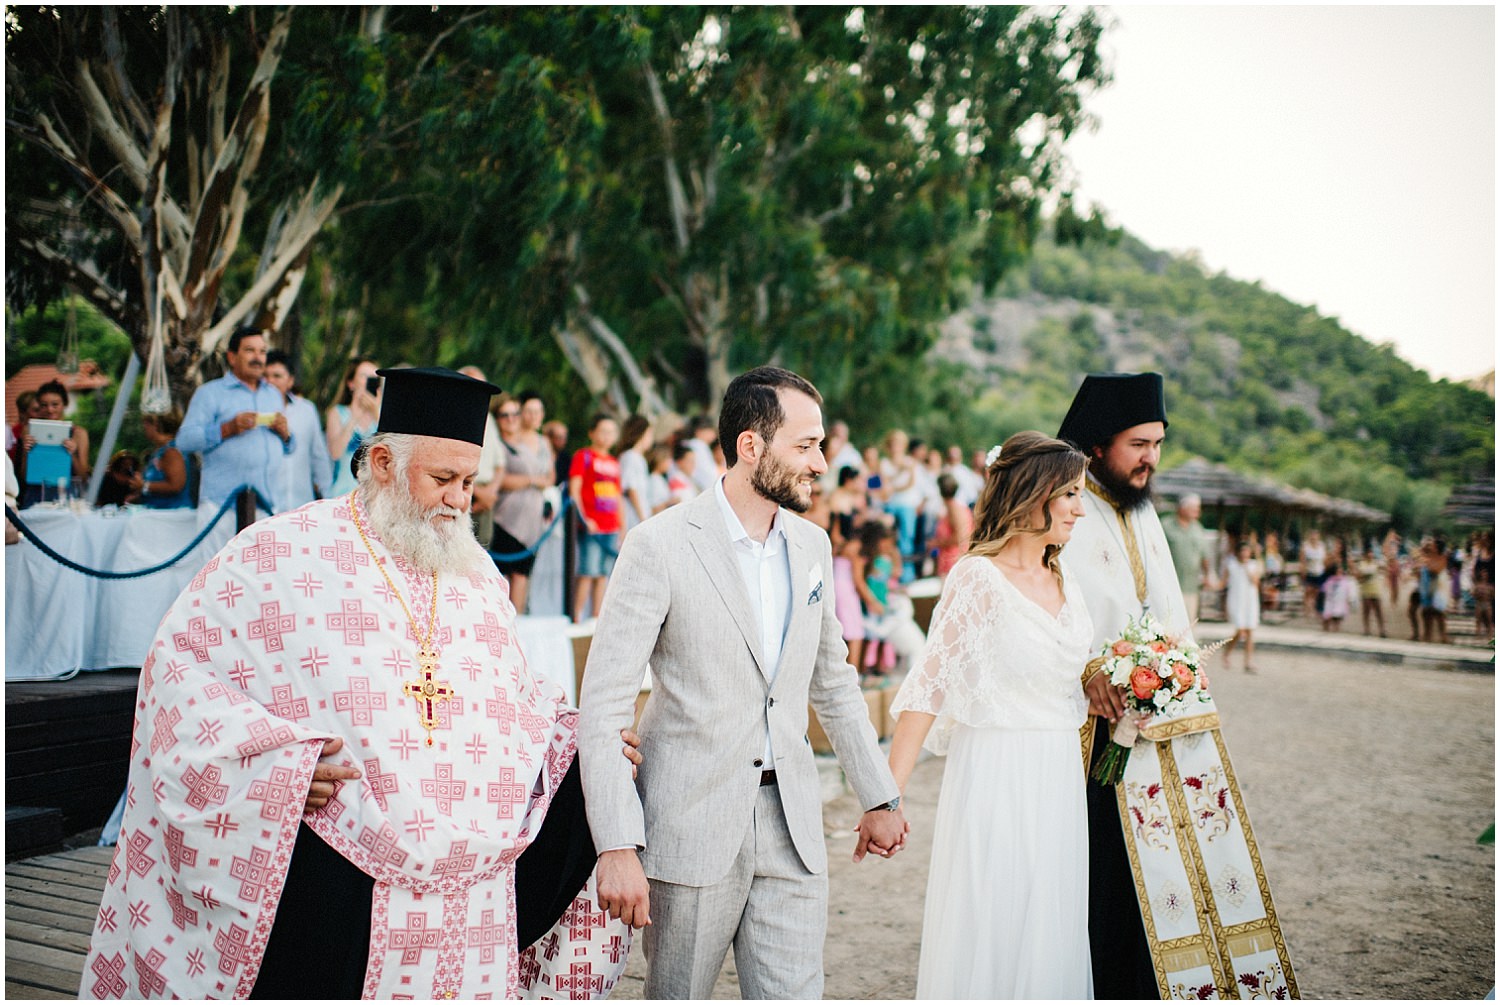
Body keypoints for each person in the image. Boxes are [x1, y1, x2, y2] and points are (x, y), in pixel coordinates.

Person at [79, 366, 638, 1000]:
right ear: (380, 462)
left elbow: (519, 703)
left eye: (470, 482)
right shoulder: (279, 554)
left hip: (472, 890)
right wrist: (278, 763)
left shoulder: (477, 575)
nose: (461, 500)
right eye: (443, 480)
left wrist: (588, 740)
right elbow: (180, 680)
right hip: (336, 876)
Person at [578, 365, 908, 1000]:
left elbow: (833, 682)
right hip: (688, 825)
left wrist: (879, 796)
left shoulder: (813, 545)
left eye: (821, 445)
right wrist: (615, 844)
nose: (820, 463)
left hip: (793, 829)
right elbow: (605, 703)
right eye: (806, 445)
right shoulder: (659, 544)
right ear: (750, 445)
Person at [1056, 371, 1297, 999]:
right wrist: (1089, 672)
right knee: (1103, 877)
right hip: (1084, 737)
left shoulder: (1141, 510)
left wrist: (1171, 671)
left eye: (1158, 444)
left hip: (1156, 726)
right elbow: (1045, 611)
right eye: (1139, 444)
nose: (1150, 459)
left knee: (1158, 880)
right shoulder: (1063, 505)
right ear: (1099, 442)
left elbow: (1163, 611)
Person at [888, 431, 1092, 998]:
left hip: (1057, 773)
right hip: (998, 771)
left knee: (1049, 920)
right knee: (995, 917)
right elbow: (929, 686)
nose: (1080, 507)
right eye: (1070, 494)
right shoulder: (977, 578)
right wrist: (888, 796)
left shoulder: (1065, 578)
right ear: (1035, 494)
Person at [175, 329, 291, 514]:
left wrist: (285, 434)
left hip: (266, 506)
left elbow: (290, 448)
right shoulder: (210, 393)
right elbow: (185, 441)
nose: (257, 358)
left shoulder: (273, 395)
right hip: (221, 506)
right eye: (249, 350)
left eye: (262, 352)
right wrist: (227, 428)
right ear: (232, 357)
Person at [491, 393, 556, 614]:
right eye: (504, 415)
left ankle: (515, 626)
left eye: (514, 414)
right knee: (502, 577)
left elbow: (549, 477)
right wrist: (531, 481)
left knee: (522, 574)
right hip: (506, 517)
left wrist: (537, 482)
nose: (511, 419)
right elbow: (498, 479)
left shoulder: (532, 442)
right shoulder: (498, 444)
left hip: (532, 520)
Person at [569, 414, 622, 622]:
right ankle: (576, 616)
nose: (607, 436)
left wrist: (622, 525)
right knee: (587, 571)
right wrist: (584, 518)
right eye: (603, 431)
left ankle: (596, 617)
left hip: (611, 526)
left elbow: (617, 496)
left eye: (611, 432)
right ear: (592, 433)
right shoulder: (584, 456)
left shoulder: (614, 462)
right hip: (591, 525)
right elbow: (575, 489)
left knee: (603, 573)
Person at [265, 350, 333, 510]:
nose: (270, 382)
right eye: (265, 376)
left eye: (277, 376)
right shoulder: (254, 412)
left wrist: (329, 497)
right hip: (265, 507)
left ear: (290, 381)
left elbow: (319, 456)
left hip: (300, 504)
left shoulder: (306, 410)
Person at [459, 367, 504, 549]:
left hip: (487, 496)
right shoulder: (453, 415)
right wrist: (477, 492)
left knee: (482, 553)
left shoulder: (489, 420)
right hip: (462, 492)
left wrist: (490, 493)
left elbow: (500, 464)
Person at [325, 357, 381, 497]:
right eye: (364, 376)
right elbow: (335, 453)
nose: (369, 381)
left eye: (373, 377)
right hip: (342, 492)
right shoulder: (337, 412)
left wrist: (377, 413)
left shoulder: (381, 415)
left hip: (373, 495)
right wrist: (354, 416)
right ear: (351, 383)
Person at [1161, 493, 1213, 623]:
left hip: (1191, 588)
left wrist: (1207, 576)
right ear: (1182, 508)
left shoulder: (1198, 529)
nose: (1198, 511)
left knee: (1188, 625)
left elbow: (1205, 556)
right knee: (1169, 624)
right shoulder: (1166, 526)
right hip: (1168, 587)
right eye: (1194, 508)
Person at [1222, 539, 1263, 668]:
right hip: (1236, 600)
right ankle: (1227, 652)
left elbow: (1255, 582)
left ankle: (1248, 661)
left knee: (1250, 630)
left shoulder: (1253, 565)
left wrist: (1247, 567)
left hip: (1250, 600)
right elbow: (1223, 583)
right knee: (1240, 630)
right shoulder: (1231, 565)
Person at [930, 472, 973, 579]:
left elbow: (959, 537)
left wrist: (937, 543)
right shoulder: (955, 507)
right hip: (952, 560)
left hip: (953, 561)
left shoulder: (954, 509)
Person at [617, 414, 654, 534]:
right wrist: (642, 517)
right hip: (633, 518)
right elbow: (631, 488)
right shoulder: (630, 457)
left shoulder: (638, 458)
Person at [681, 414, 719, 493]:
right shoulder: (698, 445)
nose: (713, 435)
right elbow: (709, 474)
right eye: (710, 431)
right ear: (700, 430)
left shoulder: (687, 443)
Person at [1353, 549, 1386, 636]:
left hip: (1375, 589)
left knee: (1378, 611)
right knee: (1366, 611)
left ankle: (1382, 630)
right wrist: (1363, 576)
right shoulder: (1361, 564)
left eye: (1371, 554)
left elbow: (1383, 568)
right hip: (1365, 590)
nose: (1370, 556)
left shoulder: (1376, 563)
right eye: (1369, 554)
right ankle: (1367, 630)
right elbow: (1358, 577)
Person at [1320, 560, 1357, 632]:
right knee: (1327, 617)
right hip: (1330, 601)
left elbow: (1348, 591)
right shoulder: (1329, 580)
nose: (1340, 571)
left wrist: (1348, 599)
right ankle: (1326, 630)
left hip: (1340, 602)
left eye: (1341, 570)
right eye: (1338, 570)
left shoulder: (1344, 580)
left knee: (1337, 618)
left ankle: (1336, 630)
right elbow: (1324, 590)